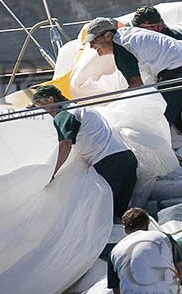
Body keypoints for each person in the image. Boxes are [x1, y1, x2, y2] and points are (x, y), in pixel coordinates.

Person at [86, 8, 182, 134]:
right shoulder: (125, 34)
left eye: (94, 41)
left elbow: (136, 85)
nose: (91, 46)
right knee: (171, 112)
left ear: (108, 36)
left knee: (160, 118)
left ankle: (163, 151)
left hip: (181, 70)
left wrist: (119, 110)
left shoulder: (121, 48)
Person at [31, 83, 139, 219]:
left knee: (103, 212)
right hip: (127, 157)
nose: (40, 109)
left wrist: (52, 173)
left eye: (39, 104)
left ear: (51, 100)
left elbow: (65, 145)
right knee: (121, 214)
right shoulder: (82, 108)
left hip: (109, 163)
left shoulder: (65, 114)